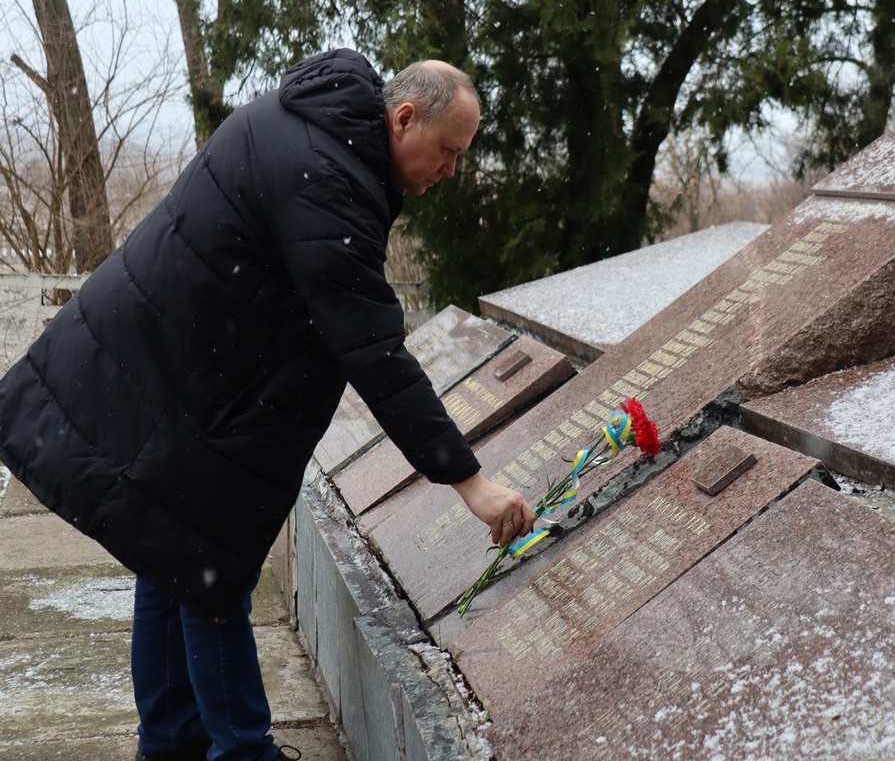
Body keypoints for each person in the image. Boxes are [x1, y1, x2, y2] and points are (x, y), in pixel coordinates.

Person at [0, 49, 537, 761]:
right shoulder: (328, 181)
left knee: (169, 556)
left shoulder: (312, 127)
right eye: (447, 151)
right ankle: (241, 753)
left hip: (173, 373)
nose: (451, 170)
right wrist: (468, 481)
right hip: (180, 386)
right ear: (403, 117)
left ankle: (169, 743)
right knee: (208, 568)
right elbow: (373, 349)